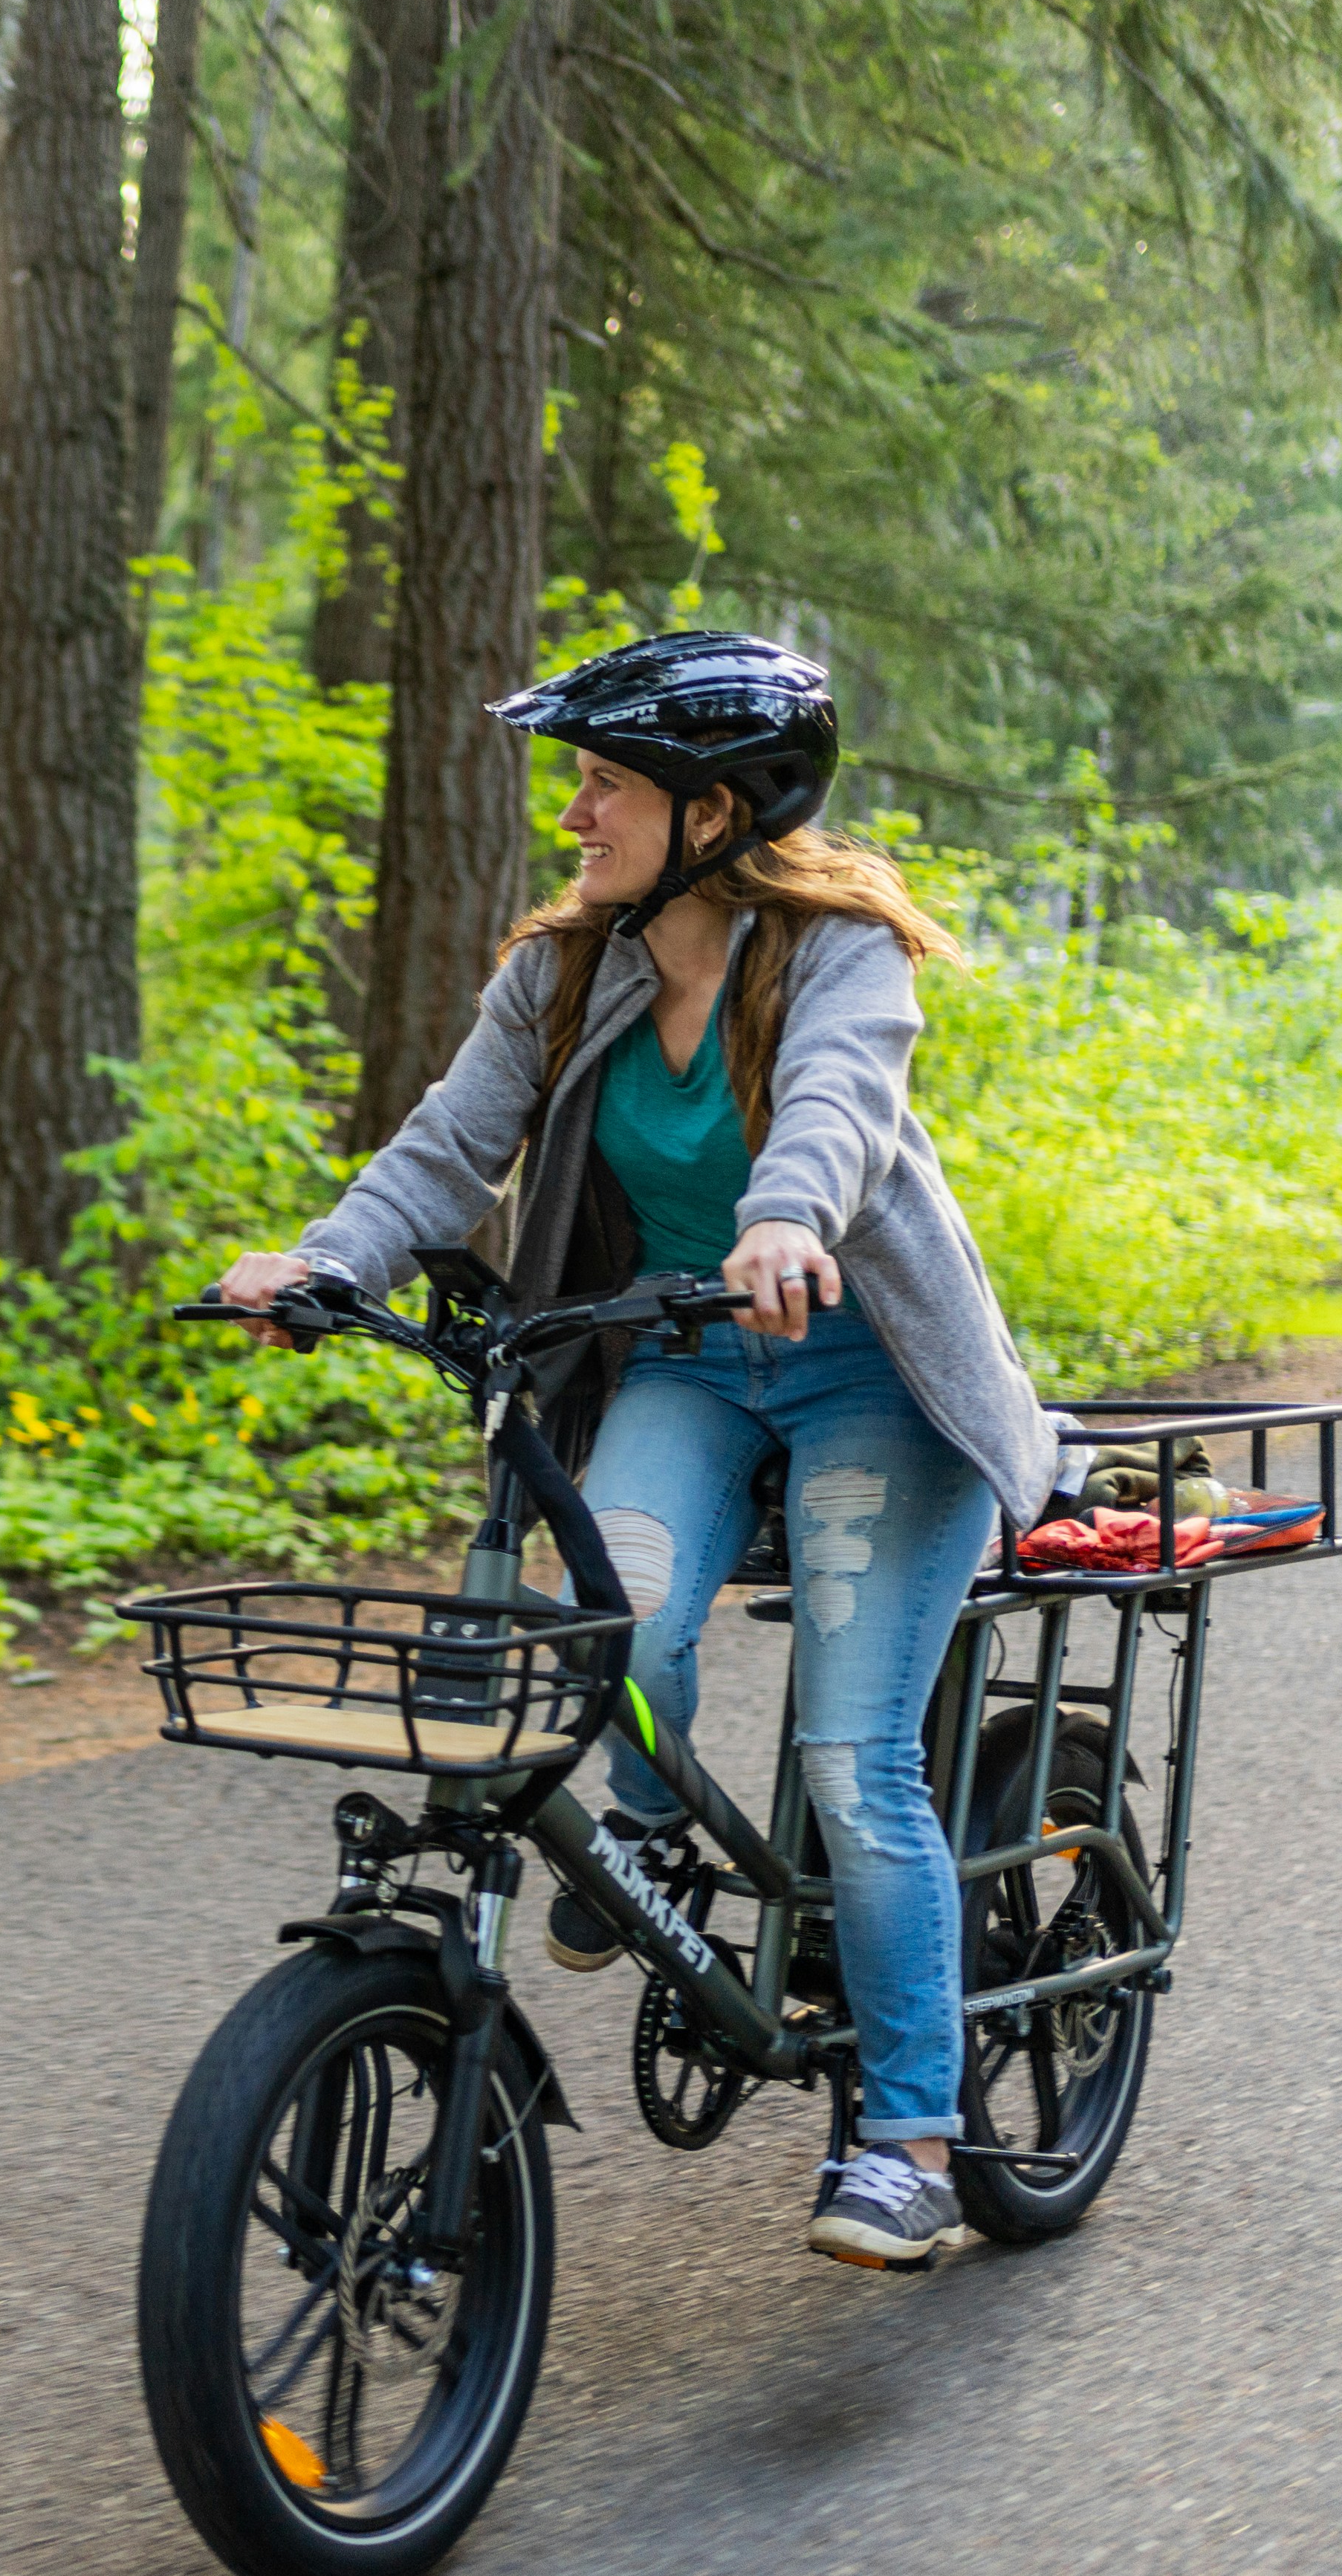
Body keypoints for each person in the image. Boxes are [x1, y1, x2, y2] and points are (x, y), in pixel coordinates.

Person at [213, 632, 1054, 2270]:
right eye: (580, 778)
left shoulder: (833, 953)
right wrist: (327, 1263)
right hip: (682, 1363)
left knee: (850, 1757)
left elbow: (834, 1105)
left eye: (606, 782)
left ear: (715, 808)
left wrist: (783, 1219)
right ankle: (649, 1843)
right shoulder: (560, 968)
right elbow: (446, 1147)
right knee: (608, 1644)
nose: (577, 810)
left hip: (867, 1377)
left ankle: (904, 2135)